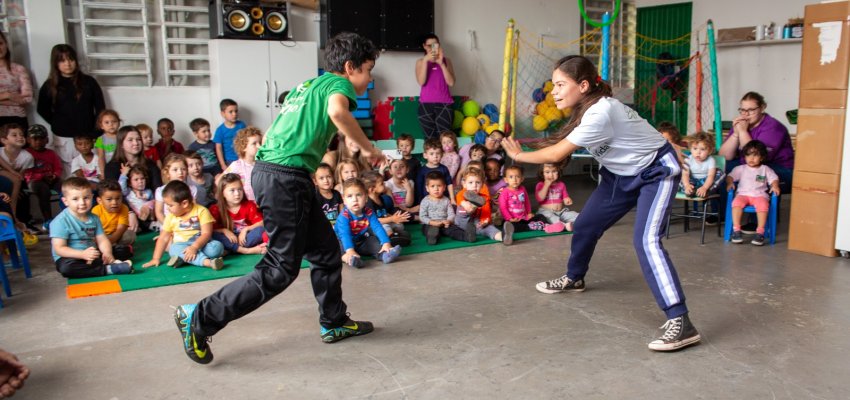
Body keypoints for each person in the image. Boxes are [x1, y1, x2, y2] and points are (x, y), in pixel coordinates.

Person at [172, 32, 384, 364]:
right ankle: (199, 317)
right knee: (280, 269)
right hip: (287, 179)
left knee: (327, 253)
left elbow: (275, 132)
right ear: (349, 67)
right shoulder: (338, 86)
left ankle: (334, 321)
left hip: (280, 174)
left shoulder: (306, 87)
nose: (370, 77)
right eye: (368, 70)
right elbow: (339, 114)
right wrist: (368, 148)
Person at [501, 55, 700, 352]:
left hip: (654, 174)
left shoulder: (601, 112)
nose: (553, 92)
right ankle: (574, 278)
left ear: (582, 85)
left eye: (559, 85)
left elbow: (555, 155)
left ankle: (681, 321)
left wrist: (517, 157)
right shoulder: (586, 110)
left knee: (646, 241)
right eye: (552, 85)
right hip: (619, 176)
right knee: (584, 226)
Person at [36, 44, 105, 176]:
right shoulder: (50, 85)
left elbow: (101, 108)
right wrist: (57, 123)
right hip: (64, 138)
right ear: (55, 63)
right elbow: (42, 109)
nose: (67, 64)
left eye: (71, 59)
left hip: (89, 135)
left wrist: (95, 133)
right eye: (62, 60)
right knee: (69, 173)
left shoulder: (89, 82)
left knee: (93, 172)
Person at [50, 177, 133, 278]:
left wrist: (107, 253)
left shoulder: (94, 218)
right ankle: (108, 269)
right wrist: (82, 254)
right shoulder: (60, 221)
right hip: (71, 257)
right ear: (65, 201)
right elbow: (59, 249)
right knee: (66, 269)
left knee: (123, 251)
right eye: (75, 199)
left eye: (86, 198)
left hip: (92, 253)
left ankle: (102, 263)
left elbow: (102, 240)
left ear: (92, 197)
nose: (82, 203)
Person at [719, 91, 794, 194]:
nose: (745, 114)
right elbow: (724, 156)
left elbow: (756, 157)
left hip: (779, 170)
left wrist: (743, 132)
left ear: (762, 107)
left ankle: (757, 207)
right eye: (742, 110)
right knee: (719, 169)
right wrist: (736, 134)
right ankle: (722, 209)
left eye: (751, 110)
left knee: (752, 175)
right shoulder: (742, 124)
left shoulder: (773, 127)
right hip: (748, 164)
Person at [143, 181, 224, 270]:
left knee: (216, 247)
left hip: (201, 244)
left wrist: (194, 247)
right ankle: (207, 262)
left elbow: (206, 234)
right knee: (173, 249)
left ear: (184, 203)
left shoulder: (202, 211)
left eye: (170, 205)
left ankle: (184, 259)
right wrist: (156, 258)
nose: (167, 208)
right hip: (182, 246)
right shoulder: (170, 217)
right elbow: (163, 238)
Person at [334, 177, 403, 268]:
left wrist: (386, 243)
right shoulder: (344, 217)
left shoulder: (369, 212)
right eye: (350, 196)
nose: (355, 199)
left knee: (374, 241)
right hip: (342, 241)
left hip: (361, 240)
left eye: (358, 195)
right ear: (344, 200)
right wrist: (350, 250)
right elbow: (345, 235)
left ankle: (385, 255)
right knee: (339, 249)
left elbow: (378, 227)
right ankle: (352, 259)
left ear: (366, 198)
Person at [726, 140, 779, 246]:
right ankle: (736, 230)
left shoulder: (765, 169)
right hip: (743, 194)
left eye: (755, 156)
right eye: (748, 155)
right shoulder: (741, 169)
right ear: (744, 156)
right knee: (736, 203)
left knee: (763, 205)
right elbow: (730, 176)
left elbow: (774, 178)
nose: (751, 158)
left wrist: (775, 185)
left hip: (759, 195)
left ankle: (760, 232)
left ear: (762, 157)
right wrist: (730, 183)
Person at [209, 173, 267, 255]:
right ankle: (246, 250)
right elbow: (210, 229)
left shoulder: (249, 205)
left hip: (245, 238)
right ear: (222, 193)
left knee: (261, 230)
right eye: (232, 190)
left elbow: (261, 223)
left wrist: (245, 229)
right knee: (214, 235)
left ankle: (232, 249)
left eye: (239, 189)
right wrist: (224, 230)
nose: (237, 193)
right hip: (229, 238)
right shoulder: (215, 209)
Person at [499, 165, 564, 233]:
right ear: (506, 180)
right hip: (514, 220)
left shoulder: (522, 189)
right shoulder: (504, 192)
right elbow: (503, 208)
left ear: (522, 179)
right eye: (511, 177)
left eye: (517, 176)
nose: (514, 179)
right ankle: (535, 226)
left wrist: (529, 213)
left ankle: (545, 226)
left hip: (524, 217)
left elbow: (526, 202)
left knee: (541, 216)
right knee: (511, 226)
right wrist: (510, 218)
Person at [455, 167, 512, 244]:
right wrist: (464, 203)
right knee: (463, 209)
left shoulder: (483, 198)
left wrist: (484, 221)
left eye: (478, 182)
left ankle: (503, 237)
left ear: (482, 185)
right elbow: (459, 197)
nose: (474, 185)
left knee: (488, 228)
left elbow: (486, 212)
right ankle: (472, 205)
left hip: (475, 223)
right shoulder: (462, 193)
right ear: (464, 184)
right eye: (470, 182)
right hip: (463, 221)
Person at [415, 34, 456, 139]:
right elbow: (421, 82)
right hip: (425, 105)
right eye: (429, 46)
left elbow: (451, 83)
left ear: (439, 45)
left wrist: (441, 63)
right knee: (430, 140)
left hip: (445, 104)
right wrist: (425, 61)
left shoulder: (447, 61)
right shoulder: (420, 62)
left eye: (435, 45)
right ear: (424, 46)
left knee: (446, 139)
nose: (432, 48)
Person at [420, 171, 475, 244]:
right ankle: (432, 238)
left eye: (439, 186)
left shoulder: (446, 200)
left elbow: (451, 214)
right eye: (432, 186)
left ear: (444, 187)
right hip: (430, 224)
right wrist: (432, 222)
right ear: (427, 188)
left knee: (454, 230)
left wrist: (448, 221)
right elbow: (422, 216)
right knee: (428, 229)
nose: (436, 189)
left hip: (444, 224)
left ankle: (467, 236)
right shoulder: (425, 201)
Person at [24, 124, 62, 226]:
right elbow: (27, 173)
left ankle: (68, 216)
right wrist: (41, 177)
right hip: (35, 181)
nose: (38, 142)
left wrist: (55, 175)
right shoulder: (26, 153)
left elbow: (58, 168)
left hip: (51, 178)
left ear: (47, 140)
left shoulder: (51, 153)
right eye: (35, 139)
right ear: (28, 140)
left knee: (65, 188)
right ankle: (48, 220)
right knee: (44, 190)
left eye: (41, 139)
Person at [361, 170, 411, 246]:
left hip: (384, 222)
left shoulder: (380, 198)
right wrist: (392, 219)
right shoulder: (368, 203)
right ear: (372, 189)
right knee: (385, 227)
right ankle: (392, 238)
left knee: (399, 225)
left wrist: (394, 217)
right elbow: (375, 221)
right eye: (381, 184)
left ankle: (395, 235)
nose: (384, 184)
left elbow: (384, 213)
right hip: (373, 227)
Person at [104, 125, 162, 191]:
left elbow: (158, 190)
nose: (136, 143)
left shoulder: (150, 164)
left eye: (138, 139)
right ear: (121, 144)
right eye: (130, 140)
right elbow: (112, 193)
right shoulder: (112, 167)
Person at [91, 179, 135, 260]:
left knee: (130, 235)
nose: (114, 202)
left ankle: (113, 249)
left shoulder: (124, 208)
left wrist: (111, 241)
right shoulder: (95, 211)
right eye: (109, 199)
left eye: (118, 198)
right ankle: (114, 250)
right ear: (99, 200)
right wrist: (104, 242)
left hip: (116, 236)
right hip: (102, 236)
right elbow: (94, 232)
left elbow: (121, 228)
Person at [0, 31, 33, 130]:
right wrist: (8, 95)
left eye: (0, 43)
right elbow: (18, 99)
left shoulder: (19, 69)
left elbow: (28, 98)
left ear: (6, 44)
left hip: (17, 119)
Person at [220, 126, 261, 202]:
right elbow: (219, 182)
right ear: (243, 147)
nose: (259, 146)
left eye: (260, 142)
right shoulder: (237, 165)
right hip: (246, 207)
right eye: (254, 143)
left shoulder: (262, 163)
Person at [534, 162, 579, 231]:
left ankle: (570, 224)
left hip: (561, 212)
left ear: (558, 172)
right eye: (547, 172)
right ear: (542, 174)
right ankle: (562, 225)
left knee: (576, 215)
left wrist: (567, 200)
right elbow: (540, 199)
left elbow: (565, 197)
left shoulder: (561, 185)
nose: (551, 175)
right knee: (551, 217)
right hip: (546, 211)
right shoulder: (540, 185)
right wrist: (546, 185)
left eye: (554, 171)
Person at [0, 123, 31, 220]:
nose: (20, 137)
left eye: (21, 135)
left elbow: (20, 176)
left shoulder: (28, 157)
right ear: (4, 140)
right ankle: (13, 215)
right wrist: (12, 171)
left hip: (11, 179)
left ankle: (14, 214)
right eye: (14, 135)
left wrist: (17, 191)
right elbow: (14, 174)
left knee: (18, 184)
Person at [154, 153, 196, 223]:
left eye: (183, 169)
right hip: (168, 224)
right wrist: (168, 227)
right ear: (167, 173)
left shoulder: (192, 189)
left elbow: (194, 209)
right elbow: (159, 212)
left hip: (187, 224)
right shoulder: (160, 191)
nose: (180, 172)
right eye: (175, 170)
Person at [680, 131, 724, 198]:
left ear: (709, 151)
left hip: (706, 182)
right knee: (680, 174)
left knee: (720, 173)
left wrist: (705, 187)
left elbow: (710, 176)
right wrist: (687, 185)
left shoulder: (711, 160)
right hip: (692, 181)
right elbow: (685, 174)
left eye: (702, 149)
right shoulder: (688, 159)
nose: (698, 152)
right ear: (690, 149)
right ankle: (689, 190)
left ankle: (707, 191)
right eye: (695, 149)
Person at [415, 138, 453, 205]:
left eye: (438, 153)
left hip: (443, 200)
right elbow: (419, 188)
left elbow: (449, 184)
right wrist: (420, 202)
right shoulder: (422, 170)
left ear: (442, 154)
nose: (435, 156)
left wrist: (452, 199)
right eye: (432, 154)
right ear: (425, 155)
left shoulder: (444, 169)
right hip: (427, 201)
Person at [213, 99, 246, 170]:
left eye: (236, 111)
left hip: (242, 158)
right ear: (223, 113)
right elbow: (218, 148)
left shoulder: (241, 125)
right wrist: (222, 164)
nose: (234, 114)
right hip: (229, 161)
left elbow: (246, 140)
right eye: (231, 112)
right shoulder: (220, 130)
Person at [118, 165, 154, 230]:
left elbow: (153, 203)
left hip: (147, 217)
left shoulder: (148, 192)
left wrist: (144, 197)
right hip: (135, 217)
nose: (140, 181)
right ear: (130, 183)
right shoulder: (128, 192)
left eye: (142, 178)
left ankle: (152, 225)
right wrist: (123, 175)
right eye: (136, 179)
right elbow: (120, 188)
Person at [94, 109, 120, 175]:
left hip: (123, 167)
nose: (111, 124)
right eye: (107, 122)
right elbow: (101, 157)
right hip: (110, 169)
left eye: (114, 121)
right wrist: (103, 172)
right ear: (101, 126)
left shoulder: (123, 136)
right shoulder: (100, 139)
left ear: (119, 123)